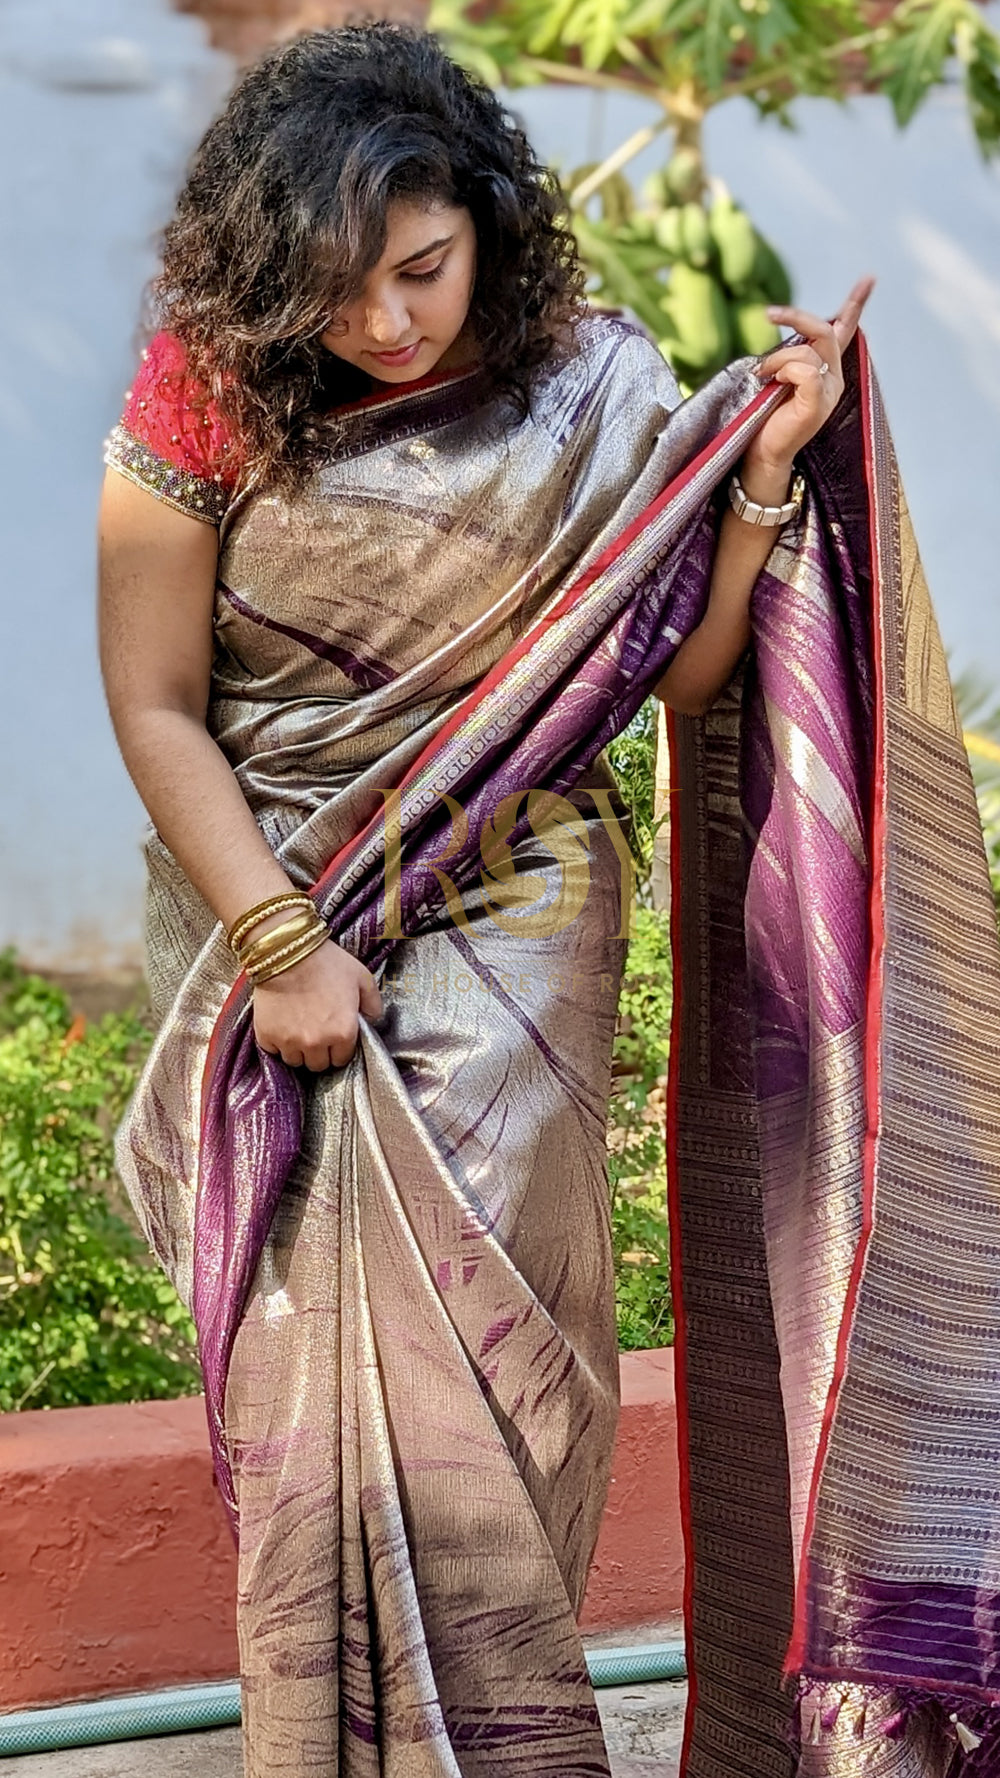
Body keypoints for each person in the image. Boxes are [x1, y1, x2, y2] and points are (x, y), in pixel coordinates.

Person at [99, 22, 1000, 1778]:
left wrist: (756, 469)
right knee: (317, 1382)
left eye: (423, 269)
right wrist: (281, 944)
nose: (388, 326)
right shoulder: (202, 387)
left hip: (525, 911)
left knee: (505, 1366)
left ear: (489, 222)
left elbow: (682, 675)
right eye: (337, 291)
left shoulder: (586, 376)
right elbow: (153, 703)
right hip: (271, 888)